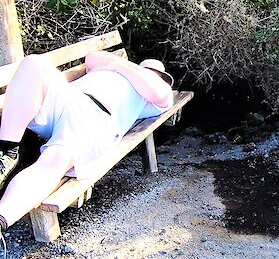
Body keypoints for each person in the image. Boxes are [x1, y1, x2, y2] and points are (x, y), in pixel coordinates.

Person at [0, 51, 174, 235]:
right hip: (70, 97)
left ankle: (3, 217)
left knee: (55, 160)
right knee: (34, 63)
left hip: (99, 119)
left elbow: (160, 93)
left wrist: (121, 66)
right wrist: (126, 67)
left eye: (159, 77)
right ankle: (7, 153)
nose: (154, 78)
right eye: (153, 73)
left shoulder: (150, 99)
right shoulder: (120, 70)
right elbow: (92, 57)